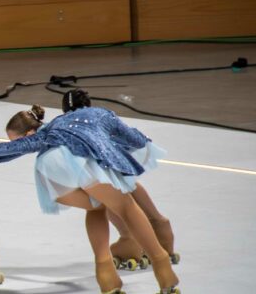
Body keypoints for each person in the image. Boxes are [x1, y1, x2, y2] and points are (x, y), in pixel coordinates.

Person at [0, 97, 181, 294]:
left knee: (97, 206)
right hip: (81, 158)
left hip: (51, 169)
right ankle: (162, 268)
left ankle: (106, 276)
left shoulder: (56, 126)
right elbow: (132, 138)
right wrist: (142, 145)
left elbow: (20, 148)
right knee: (126, 206)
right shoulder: (100, 114)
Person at [60, 89, 180, 269]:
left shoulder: (65, 125)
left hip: (97, 167)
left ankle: (128, 237)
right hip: (118, 159)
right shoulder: (102, 115)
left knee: (99, 191)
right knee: (125, 181)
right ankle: (159, 223)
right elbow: (134, 137)